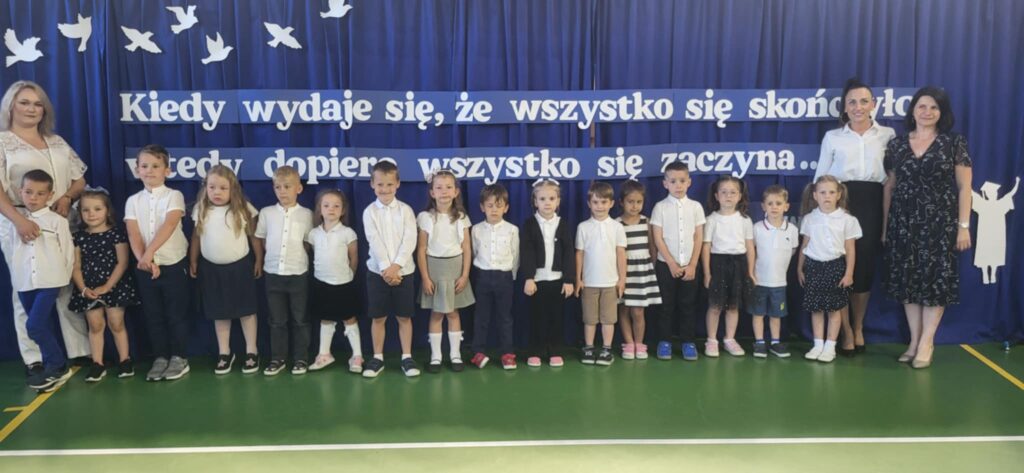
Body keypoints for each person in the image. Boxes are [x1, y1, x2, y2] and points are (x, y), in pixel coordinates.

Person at [0, 80, 90, 379]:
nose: (32, 109)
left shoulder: (57, 141)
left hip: (59, 218)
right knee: (27, 286)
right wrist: (19, 220)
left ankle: (78, 348)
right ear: (11, 106)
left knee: (64, 281)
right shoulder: (3, 142)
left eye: (38, 104)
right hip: (20, 220)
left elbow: (79, 178)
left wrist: (67, 197)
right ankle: (34, 356)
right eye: (24, 102)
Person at [883, 86, 973, 369]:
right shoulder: (897, 145)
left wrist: (963, 226)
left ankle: (927, 342)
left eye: (934, 107)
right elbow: (890, 187)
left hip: (940, 223)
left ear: (941, 113)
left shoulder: (953, 143)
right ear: (913, 110)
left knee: (935, 282)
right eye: (922, 106)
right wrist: (886, 227)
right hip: (903, 222)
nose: (927, 112)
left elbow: (965, 187)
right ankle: (914, 341)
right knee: (908, 282)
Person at [815, 78, 896, 355]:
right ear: (844, 107)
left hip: (874, 202)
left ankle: (858, 326)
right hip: (841, 203)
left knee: (863, 268)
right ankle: (846, 330)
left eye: (863, 101)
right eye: (852, 102)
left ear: (873, 104)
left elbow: (892, 178)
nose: (858, 107)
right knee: (838, 266)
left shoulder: (888, 135)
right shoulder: (833, 137)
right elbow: (821, 177)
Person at [124, 145, 191, 381]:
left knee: (176, 314)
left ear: (167, 171)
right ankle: (160, 357)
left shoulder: (174, 196)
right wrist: (143, 260)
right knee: (154, 315)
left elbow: (169, 225)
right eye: (144, 166)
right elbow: (133, 232)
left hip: (173, 264)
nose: (149, 170)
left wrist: (148, 254)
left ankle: (179, 357)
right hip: (145, 267)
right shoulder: (133, 201)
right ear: (136, 170)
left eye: (155, 166)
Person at [188, 165, 262, 375]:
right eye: (212, 187)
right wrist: (193, 260)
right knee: (219, 312)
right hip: (211, 269)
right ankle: (224, 352)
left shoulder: (243, 208)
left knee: (246, 311)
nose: (217, 192)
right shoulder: (201, 209)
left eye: (223, 188)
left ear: (233, 189)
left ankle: (251, 351)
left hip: (240, 267)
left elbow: (254, 236)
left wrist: (259, 259)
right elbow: (196, 237)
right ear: (205, 188)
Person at [9, 170, 74, 392]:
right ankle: (51, 368)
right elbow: (12, 252)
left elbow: (67, 252)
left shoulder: (57, 221)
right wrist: (18, 278)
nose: (33, 198)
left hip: (50, 281)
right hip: (25, 282)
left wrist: (63, 278)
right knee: (41, 325)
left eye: (40, 193)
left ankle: (58, 365)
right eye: (28, 192)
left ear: (50, 195)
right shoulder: (15, 221)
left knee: (34, 326)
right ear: (20, 192)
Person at [70, 189, 138, 381]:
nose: (91, 214)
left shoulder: (116, 234)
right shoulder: (78, 237)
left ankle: (125, 360)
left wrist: (107, 287)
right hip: (89, 288)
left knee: (116, 323)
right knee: (95, 324)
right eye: (86, 210)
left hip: (114, 286)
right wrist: (83, 288)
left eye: (97, 209)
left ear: (107, 211)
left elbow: (122, 262)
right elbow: (75, 266)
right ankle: (97, 363)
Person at [362, 160, 419, 378]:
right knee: (379, 318)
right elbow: (374, 240)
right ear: (372, 184)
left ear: (397, 184)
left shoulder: (406, 210)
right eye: (380, 184)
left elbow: (410, 239)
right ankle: (378, 357)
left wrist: (396, 267)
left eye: (389, 184)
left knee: (404, 317)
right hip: (378, 273)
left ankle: (407, 357)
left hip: (403, 272)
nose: (384, 189)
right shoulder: (369, 212)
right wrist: (387, 269)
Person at [254, 165, 313, 376]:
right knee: (276, 320)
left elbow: (308, 243)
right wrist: (261, 261)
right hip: (273, 273)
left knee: (300, 319)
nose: (282, 191)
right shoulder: (266, 213)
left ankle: (300, 358)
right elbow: (260, 238)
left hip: (298, 273)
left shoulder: (307, 214)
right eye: (278, 187)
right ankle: (277, 358)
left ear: (299, 188)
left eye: (287, 186)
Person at [798, 175, 862, 363]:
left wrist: (849, 273)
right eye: (823, 192)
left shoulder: (847, 220)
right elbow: (804, 245)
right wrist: (799, 268)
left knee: (834, 310)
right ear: (815, 195)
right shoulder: (809, 219)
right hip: (813, 266)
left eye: (831, 192)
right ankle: (818, 344)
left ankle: (830, 346)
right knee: (816, 309)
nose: (827, 196)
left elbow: (850, 249)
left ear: (839, 195)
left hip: (835, 266)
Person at [417, 169, 473, 374]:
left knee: (453, 312)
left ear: (456, 192)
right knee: (437, 313)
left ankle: (455, 354)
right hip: (434, 269)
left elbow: (467, 248)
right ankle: (436, 356)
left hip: (455, 269)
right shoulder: (425, 217)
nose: (444, 191)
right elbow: (421, 249)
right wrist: (425, 277)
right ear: (432, 192)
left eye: (449, 187)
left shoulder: (462, 217)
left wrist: (465, 275)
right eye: (439, 187)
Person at [650, 161, 705, 361]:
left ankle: (688, 342)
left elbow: (698, 237)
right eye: (673, 181)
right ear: (665, 184)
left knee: (688, 306)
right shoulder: (660, 207)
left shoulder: (696, 207)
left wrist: (692, 265)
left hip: (690, 266)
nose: (678, 185)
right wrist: (672, 263)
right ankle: (664, 341)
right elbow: (658, 238)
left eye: (682, 181)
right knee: (665, 306)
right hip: (666, 266)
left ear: (689, 182)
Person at [306, 189, 364, 374]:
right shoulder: (313, 234)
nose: (331, 209)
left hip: (343, 283)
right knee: (326, 318)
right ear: (319, 209)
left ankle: (357, 356)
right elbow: (312, 254)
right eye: (326, 205)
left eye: (336, 206)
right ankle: (324, 354)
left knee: (349, 318)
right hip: (321, 283)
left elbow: (354, 258)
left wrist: (348, 276)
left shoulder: (348, 233)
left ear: (343, 210)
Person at [520, 179, 574, 368]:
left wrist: (569, 279)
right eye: (542, 199)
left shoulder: (563, 224)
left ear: (558, 201)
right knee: (537, 318)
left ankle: (555, 350)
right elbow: (526, 252)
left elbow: (569, 253)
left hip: (557, 281)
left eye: (551, 198)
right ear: (535, 202)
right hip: (537, 281)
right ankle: (536, 351)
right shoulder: (529, 224)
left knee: (556, 318)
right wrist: (529, 278)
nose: (547, 203)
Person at [701, 176, 755, 357]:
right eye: (724, 192)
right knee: (715, 306)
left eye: (733, 192)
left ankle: (729, 339)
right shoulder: (711, 220)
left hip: (739, 264)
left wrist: (750, 271)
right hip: (718, 264)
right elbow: (706, 247)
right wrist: (707, 273)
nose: (728, 196)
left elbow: (749, 246)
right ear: (716, 196)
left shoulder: (745, 220)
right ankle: (711, 340)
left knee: (733, 306)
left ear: (740, 196)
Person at [575, 181, 627, 366]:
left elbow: (621, 254)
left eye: (604, 202)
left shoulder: (617, 227)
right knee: (589, 319)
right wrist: (578, 279)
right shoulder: (583, 227)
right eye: (595, 202)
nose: (600, 206)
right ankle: (589, 348)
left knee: (608, 319)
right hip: (589, 282)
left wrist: (622, 279)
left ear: (611, 203)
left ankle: (606, 349)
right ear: (589, 204)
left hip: (610, 283)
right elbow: (579, 254)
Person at [470, 183, 519, 369]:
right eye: (489, 205)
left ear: (506, 208)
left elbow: (515, 255)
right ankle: (478, 352)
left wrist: (511, 276)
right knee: (481, 317)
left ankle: (507, 353)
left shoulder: (512, 230)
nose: (494, 210)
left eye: (499, 206)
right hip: (482, 277)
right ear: (482, 207)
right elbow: (474, 252)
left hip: (504, 277)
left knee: (504, 318)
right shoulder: (476, 229)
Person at [750, 185, 799, 358]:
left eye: (778, 203)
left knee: (776, 315)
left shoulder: (792, 230)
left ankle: (775, 343)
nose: (774, 207)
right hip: (759, 281)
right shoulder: (756, 228)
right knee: (758, 313)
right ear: (763, 206)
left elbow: (793, 250)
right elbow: (751, 251)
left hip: (779, 283)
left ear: (786, 206)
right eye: (770, 203)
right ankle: (759, 342)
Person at [615, 179, 661, 360]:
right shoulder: (616, 224)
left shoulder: (646, 222)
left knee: (638, 311)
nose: (634, 206)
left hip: (642, 271)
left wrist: (652, 267)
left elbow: (652, 247)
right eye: (630, 202)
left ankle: (639, 343)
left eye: (638, 202)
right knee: (624, 309)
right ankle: (629, 343)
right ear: (621, 202)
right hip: (624, 271)